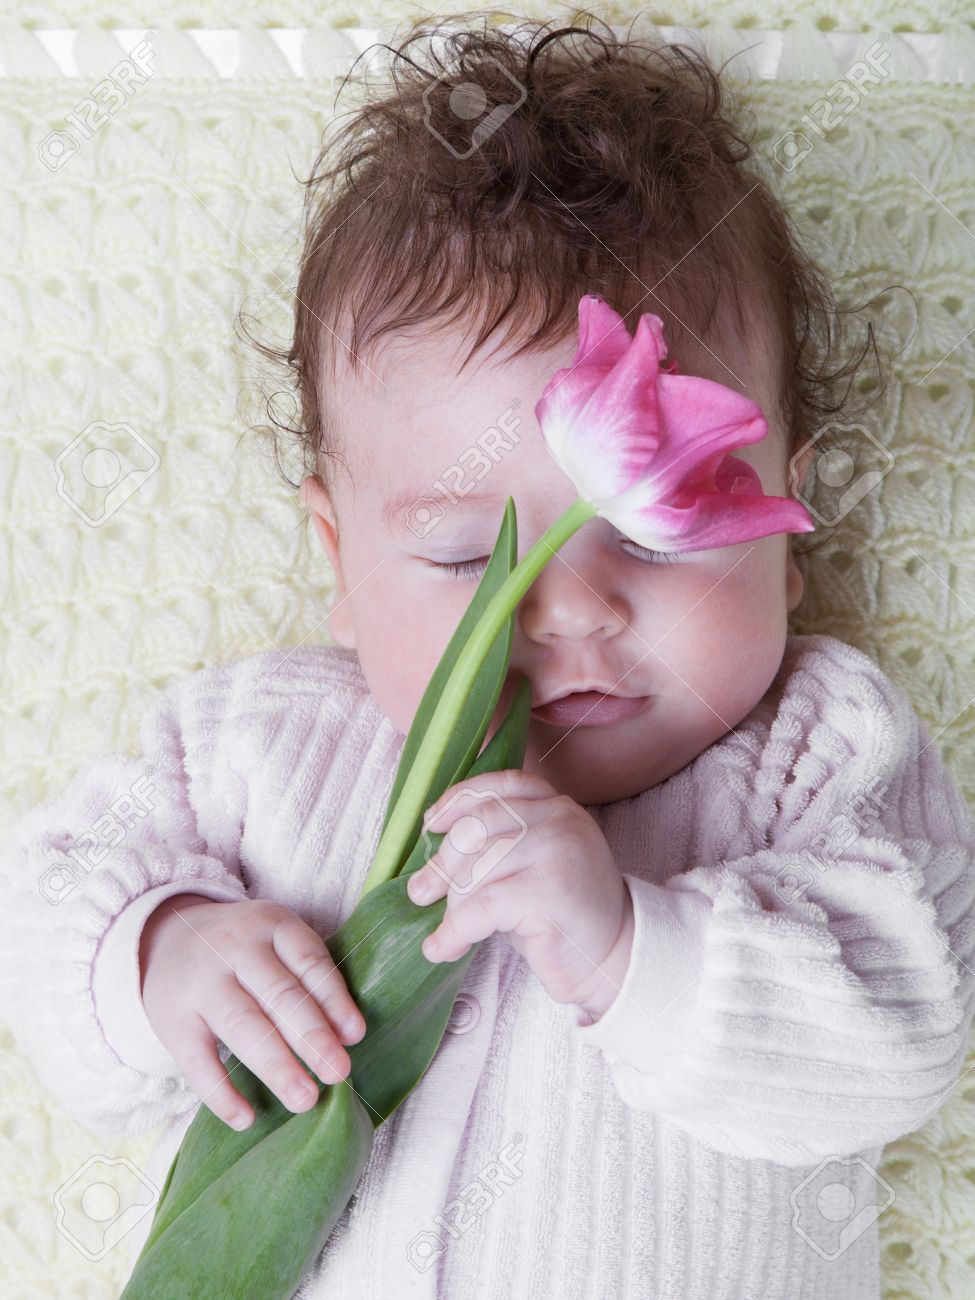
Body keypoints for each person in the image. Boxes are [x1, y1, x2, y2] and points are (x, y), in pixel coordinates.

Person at [2, 15, 973, 1298]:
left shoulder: (817, 750)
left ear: (782, 532)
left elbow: (900, 1031)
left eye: (659, 535)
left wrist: (635, 946)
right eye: (470, 555)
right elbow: (45, 906)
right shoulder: (259, 741)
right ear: (338, 554)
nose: (568, 612)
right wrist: (160, 951)